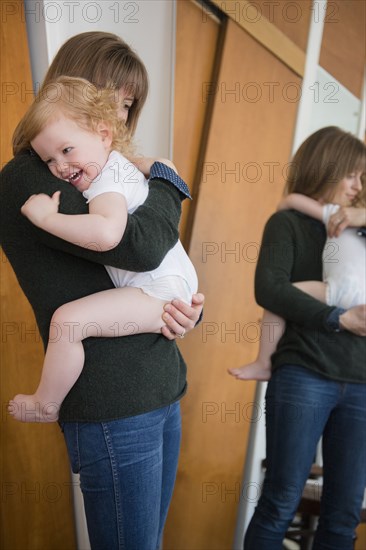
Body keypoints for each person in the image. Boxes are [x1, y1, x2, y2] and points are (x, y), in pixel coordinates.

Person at [0, 31, 204, 550]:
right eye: (112, 93)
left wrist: (183, 311)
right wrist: (168, 181)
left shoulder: (105, 172)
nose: (117, 111)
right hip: (113, 402)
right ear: (71, 86)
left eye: (128, 104)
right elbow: (138, 245)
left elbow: (155, 262)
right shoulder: (32, 177)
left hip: (160, 387)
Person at [8, 76, 198, 423]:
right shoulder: (113, 168)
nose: (61, 168)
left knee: (67, 323)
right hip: (167, 289)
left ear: (103, 134)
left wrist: (49, 219)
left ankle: (45, 404)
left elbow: (109, 234)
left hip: (158, 291)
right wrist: (166, 175)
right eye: (49, 160)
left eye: (67, 151)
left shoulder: (108, 178)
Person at [242, 126, 366, 550]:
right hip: (304, 373)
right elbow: (270, 289)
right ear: (326, 168)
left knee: (344, 517)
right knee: (280, 502)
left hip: (363, 384)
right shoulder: (288, 224)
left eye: (362, 178)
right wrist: (336, 318)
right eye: (351, 175)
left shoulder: (361, 229)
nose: (357, 186)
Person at [229, 188, 365, 381]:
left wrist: (283, 205)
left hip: (335, 289)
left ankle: (263, 362)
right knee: (278, 295)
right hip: (359, 297)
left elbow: (292, 200)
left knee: (280, 298)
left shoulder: (340, 216)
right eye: (351, 176)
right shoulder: (349, 218)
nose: (356, 186)